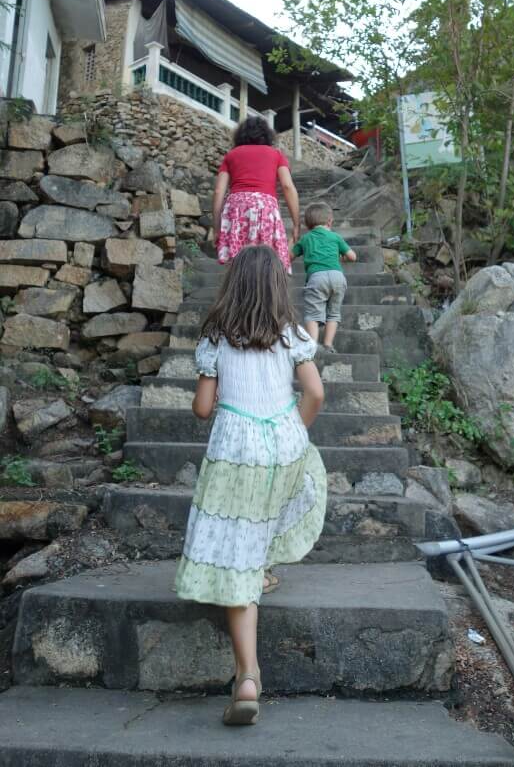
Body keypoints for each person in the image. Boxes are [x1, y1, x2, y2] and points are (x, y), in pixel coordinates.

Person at [174, 245, 327, 726]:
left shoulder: (216, 337)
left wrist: (214, 385)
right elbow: (316, 393)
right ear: (279, 289)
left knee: (237, 538)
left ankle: (247, 675)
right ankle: (259, 567)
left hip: (236, 446)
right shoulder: (291, 335)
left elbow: (203, 409)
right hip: (284, 440)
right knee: (284, 490)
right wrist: (294, 430)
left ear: (232, 286)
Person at [213, 116, 300, 270]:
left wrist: (217, 228)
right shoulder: (276, 154)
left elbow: (219, 190)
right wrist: (296, 223)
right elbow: (287, 186)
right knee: (266, 260)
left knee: (238, 261)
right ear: (267, 135)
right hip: (265, 207)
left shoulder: (231, 155)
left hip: (236, 207)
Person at [291, 201, 357, 354]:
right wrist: (341, 258)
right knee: (334, 313)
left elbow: (289, 257)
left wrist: (292, 241)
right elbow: (352, 257)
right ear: (330, 221)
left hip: (317, 278)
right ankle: (328, 345)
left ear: (307, 225)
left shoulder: (306, 239)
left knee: (313, 315)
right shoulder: (335, 237)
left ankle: (312, 346)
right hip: (338, 277)